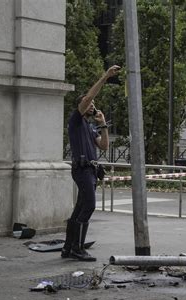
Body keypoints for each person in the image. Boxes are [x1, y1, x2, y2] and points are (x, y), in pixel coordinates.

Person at [62, 65, 120, 261]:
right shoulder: (76, 121)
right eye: (90, 103)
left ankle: (69, 247)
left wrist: (102, 123)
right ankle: (77, 249)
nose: (92, 105)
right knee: (89, 206)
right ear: (82, 107)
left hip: (91, 171)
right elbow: (87, 98)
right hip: (82, 170)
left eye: (94, 103)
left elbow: (103, 145)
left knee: (80, 208)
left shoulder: (88, 126)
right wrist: (105, 77)